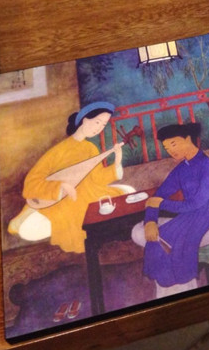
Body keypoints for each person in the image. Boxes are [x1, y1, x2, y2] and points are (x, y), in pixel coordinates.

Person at [136, 122, 209, 298]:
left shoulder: (208, 167)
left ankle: (185, 291)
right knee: (157, 239)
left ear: (188, 139)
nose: (171, 151)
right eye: (167, 148)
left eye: (173, 144)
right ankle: (169, 292)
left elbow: (194, 203)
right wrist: (150, 221)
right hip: (194, 214)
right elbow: (159, 195)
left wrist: (160, 203)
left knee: (172, 241)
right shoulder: (182, 168)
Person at [11, 101, 130, 253]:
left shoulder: (91, 148)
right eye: (97, 122)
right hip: (64, 199)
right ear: (85, 119)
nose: (98, 128)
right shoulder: (59, 151)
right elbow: (32, 182)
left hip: (89, 193)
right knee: (28, 231)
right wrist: (61, 186)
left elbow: (97, 178)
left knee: (127, 190)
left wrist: (117, 160)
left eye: (103, 125)